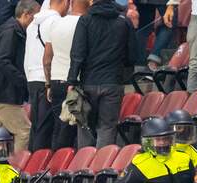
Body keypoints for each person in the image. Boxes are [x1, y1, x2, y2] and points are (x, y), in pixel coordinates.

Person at [66, 0, 138, 148]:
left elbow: (77, 53)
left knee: (84, 127)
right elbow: (132, 56)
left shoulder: (85, 20)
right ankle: (102, 167)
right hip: (113, 82)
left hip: (88, 83)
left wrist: (72, 80)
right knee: (107, 127)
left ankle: (84, 166)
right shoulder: (124, 22)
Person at [0, 0, 38, 153]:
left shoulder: (9, 29)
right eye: (35, 18)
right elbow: (2, 60)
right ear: (26, 15)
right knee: (24, 131)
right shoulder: (12, 31)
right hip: (3, 93)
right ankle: (15, 170)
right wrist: (22, 81)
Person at [42, 0, 87, 150]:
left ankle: (56, 164)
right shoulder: (85, 23)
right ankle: (66, 168)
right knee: (73, 132)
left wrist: (48, 84)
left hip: (56, 81)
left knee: (58, 128)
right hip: (76, 83)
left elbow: (47, 58)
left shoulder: (56, 23)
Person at [24, 0, 66, 152]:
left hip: (32, 79)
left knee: (35, 126)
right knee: (45, 127)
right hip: (45, 79)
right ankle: (39, 166)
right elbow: (49, 57)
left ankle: (33, 162)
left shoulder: (31, 25)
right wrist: (49, 83)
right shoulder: (56, 22)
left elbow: (27, 56)